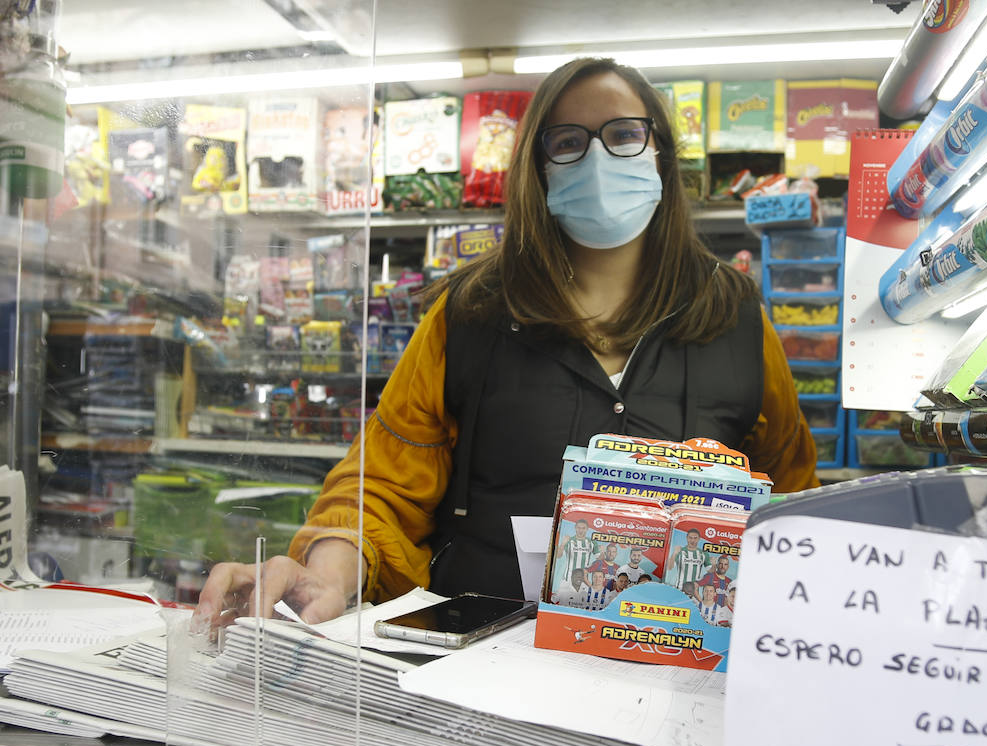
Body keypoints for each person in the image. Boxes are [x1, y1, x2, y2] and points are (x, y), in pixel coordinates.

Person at [196, 56, 819, 626]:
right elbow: (380, 490)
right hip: (477, 668)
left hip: (683, 672)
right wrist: (327, 574)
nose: (599, 160)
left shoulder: (735, 315)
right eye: (569, 142)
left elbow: (790, 501)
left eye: (625, 134)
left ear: (660, 150)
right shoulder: (467, 314)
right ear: (537, 169)